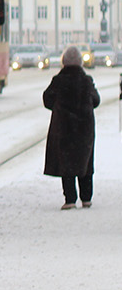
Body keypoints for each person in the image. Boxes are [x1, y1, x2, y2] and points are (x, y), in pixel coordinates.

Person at [43, 45, 101, 209]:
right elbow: (96, 100)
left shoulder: (58, 80)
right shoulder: (86, 80)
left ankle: (70, 200)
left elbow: (47, 99)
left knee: (66, 163)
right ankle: (86, 198)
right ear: (80, 62)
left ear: (64, 62)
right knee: (85, 162)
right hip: (84, 129)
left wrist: (59, 108)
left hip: (64, 128)